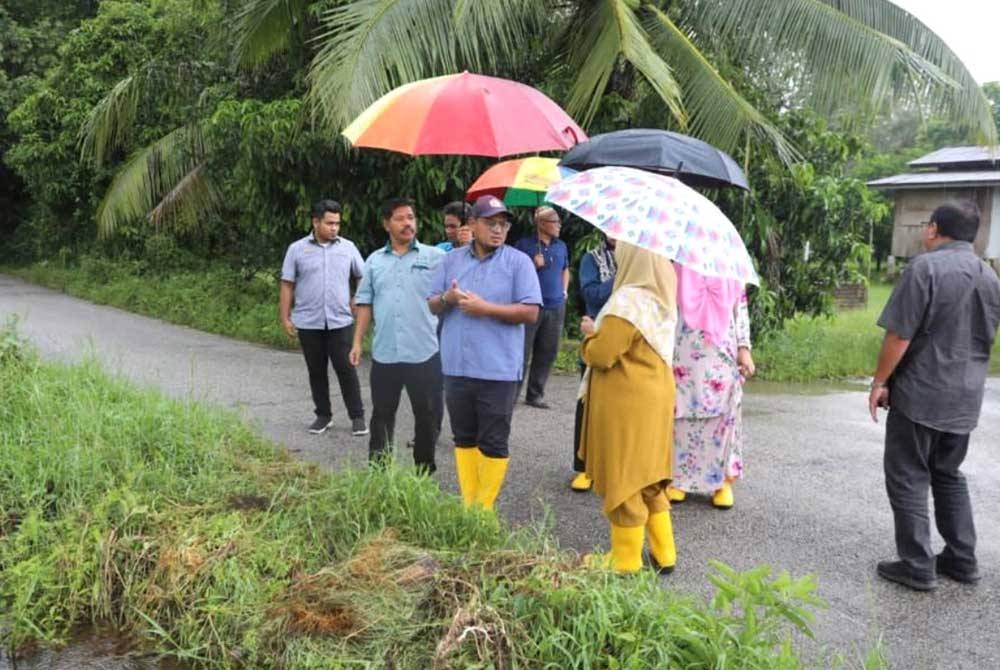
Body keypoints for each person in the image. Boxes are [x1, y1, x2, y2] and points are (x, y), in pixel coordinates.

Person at [869, 201, 1000, 592]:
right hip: (965, 397)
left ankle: (916, 564)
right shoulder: (989, 276)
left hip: (922, 393)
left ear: (934, 229)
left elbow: (899, 335)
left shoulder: (924, 269)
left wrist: (879, 382)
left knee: (908, 475)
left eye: (927, 224)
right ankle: (961, 558)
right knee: (948, 475)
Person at [428, 195, 542, 510]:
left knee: (493, 440)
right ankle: (469, 505)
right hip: (457, 365)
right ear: (473, 225)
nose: (498, 230)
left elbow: (531, 311)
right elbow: (431, 303)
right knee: (463, 437)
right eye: (491, 223)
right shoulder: (451, 260)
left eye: (503, 224)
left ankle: (483, 508)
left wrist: (485, 308)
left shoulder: (518, 262)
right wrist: (448, 297)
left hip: (498, 368)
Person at [578, 242, 678, 575]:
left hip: (628, 402)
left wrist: (591, 336)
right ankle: (665, 553)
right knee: (649, 476)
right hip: (655, 394)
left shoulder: (629, 300)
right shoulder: (660, 299)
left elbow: (603, 355)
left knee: (625, 476)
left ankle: (625, 559)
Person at [350, 198, 444, 473]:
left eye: (411, 217)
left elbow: (453, 290)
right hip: (385, 352)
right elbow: (365, 303)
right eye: (400, 218)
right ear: (386, 224)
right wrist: (357, 342)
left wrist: (464, 241)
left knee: (427, 416)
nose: (408, 223)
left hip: (424, 351)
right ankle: (378, 472)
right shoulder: (374, 261)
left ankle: (423, 474)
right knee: (381, 415)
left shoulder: (435, 257)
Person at [666, 264, 755, 508]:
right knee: (681, 414)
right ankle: (679, 480)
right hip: (683, 352)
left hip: (721, 354)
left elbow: (741, 311)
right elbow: (667, 310)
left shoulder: (732, 269)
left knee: (723, 418)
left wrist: (744, 349)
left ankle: (722, 482)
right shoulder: (678, 266)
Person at [280, 199, 368, 436]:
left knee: (346, 368)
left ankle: (357, 417)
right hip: (308, 321)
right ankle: (323, 415)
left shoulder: (348, 248)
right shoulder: (296, 249)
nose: (334, 228)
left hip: (340, 320)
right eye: (329, 223)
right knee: (316, 370)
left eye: (337, 224)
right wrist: (285, 317)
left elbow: (362, 276)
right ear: (315, 222)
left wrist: (357, 299)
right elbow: (287, 284)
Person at [570, 235, 617, 492]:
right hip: (596, 337)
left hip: (625, 345)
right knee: (587, 406)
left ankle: (613, 467)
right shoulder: (592, 259)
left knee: (618, 412)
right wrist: (620, 279)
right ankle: (583, 467)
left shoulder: (641, 259)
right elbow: (592, 295)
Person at [513, 206, 570, 409]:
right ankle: (511, 394)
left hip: (555, 305)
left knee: (548, 351)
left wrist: (564, 291)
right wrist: (532, 264)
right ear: (541, 223)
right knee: (522, 351)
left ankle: (535, 394)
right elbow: (513, 274)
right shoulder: (523, 245)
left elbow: (565, 269)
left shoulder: (561, 246)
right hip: (530, 305)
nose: (559, 225)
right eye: (555, 221)